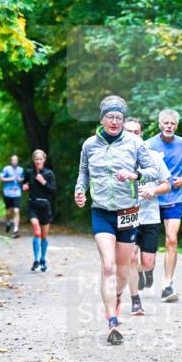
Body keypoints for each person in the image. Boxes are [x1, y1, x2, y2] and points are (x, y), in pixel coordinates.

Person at [74, 95, 159, 345]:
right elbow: (83, 172)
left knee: (123, 269)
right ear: (102, 118)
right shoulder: (90, 144)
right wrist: (80, 191)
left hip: (128, 211)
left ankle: (118, 295)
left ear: (123, 120)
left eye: (119, 118)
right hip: (101, 211)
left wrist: (135, 174)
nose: (114, 121)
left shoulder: (134, 143)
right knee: (108, 266)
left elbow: (152, 171)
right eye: (110, 117)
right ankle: (112, 320)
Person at [122, 118, 171, 316]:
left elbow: (167, 184)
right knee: (131, 258)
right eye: (129, 132)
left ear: (141, 134)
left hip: (150, 216)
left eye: (137, 132)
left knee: (148, 261)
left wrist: (153, 191)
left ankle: (145, 271)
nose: (133, 135)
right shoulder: (118, 159)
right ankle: (135, 301)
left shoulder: (154, 158)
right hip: (128, 216)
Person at [145, 109, 182, 302]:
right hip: (152, 198)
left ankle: (167, 284)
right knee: (145, 244)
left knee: (171, 239)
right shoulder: (148, 145)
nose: (169, 126)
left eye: (172, 124)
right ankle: (145, 270)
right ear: (160, 124)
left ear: (176, 126)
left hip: (174, 197)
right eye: (166, 123)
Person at [22, 149, 56, 272]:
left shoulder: (49, 174)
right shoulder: (29, 172)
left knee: (44, 237)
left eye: (40, 159)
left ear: (44, 160)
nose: (38, 161)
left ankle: (42, 259)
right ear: (33, 160)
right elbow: (25, 184)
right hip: (33, 205)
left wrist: (43, 182)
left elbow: (53, 191)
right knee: (37, 231)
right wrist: (24, 187)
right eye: (36, 159)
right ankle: (36, 260)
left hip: (45, 206)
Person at [0, 155, 25, 238]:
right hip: (7, 192)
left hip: (17, 192)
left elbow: (23, 179)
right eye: (13, 160)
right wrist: (11, 178)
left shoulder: (21, 169)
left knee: (16, 211)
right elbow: (1, 178)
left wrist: (20, 180)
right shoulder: (6, 169)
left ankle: (16, 229)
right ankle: (8, 222)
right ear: (11, 161)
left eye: (16, 160)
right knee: (8, 212)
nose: (15, 161)